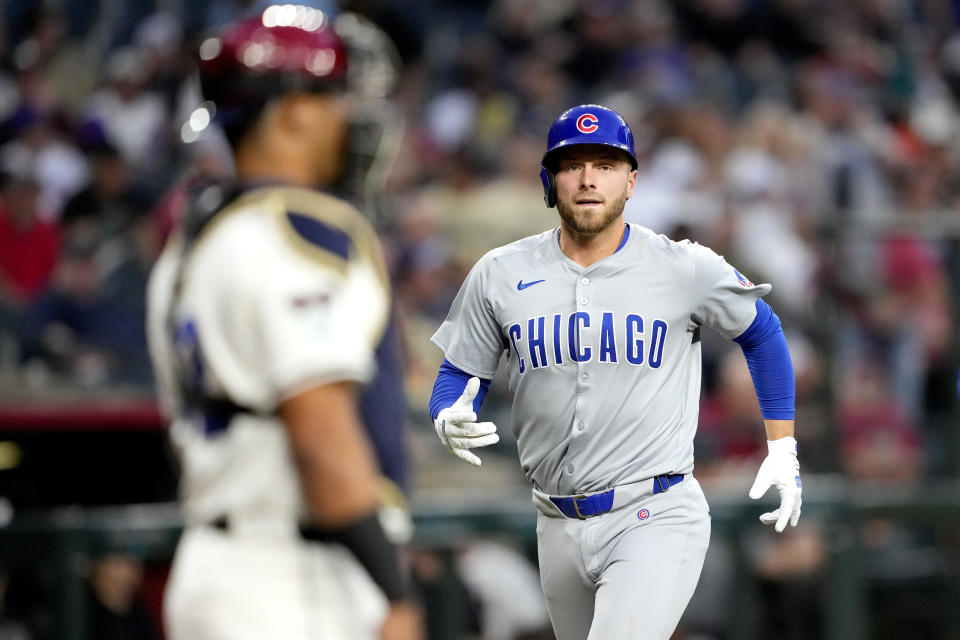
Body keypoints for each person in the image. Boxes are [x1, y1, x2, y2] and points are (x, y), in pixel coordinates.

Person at [428, 104, 802, 640]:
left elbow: (762, 332)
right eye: (571, 164)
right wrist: (446, 411)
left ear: (631, 181)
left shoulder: (683, 266)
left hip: (653, 510)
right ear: (549, 180)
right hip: (555, 522)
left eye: (604, 165)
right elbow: (458, 374)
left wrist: (782, 447)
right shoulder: (500, 272)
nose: (587, 179)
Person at [146, 6, 421, 640]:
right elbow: (319, 430)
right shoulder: (290, 236)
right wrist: (395, 594)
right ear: (293, 110)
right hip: (291, 580)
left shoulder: (197, 236)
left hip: (221, 560)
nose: (349, 116)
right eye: (334, 98)